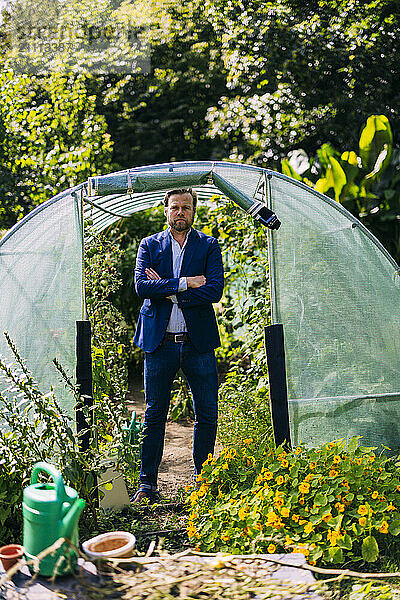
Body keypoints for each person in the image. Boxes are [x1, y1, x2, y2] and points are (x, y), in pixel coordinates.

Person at [132, 187, 224, 503]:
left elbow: (214, 291)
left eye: (186, 207)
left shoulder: (209, 246)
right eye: (175, 207)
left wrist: (166, 290)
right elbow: (141, 286)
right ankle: (147, 485)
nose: (180, 212)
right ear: (166, 211)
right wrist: (185, 283)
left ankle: (204, 482)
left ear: (194, 211)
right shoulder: (149, 245)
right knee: (155, 413)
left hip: (197, 343)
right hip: (160, 344)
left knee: (207, 414)